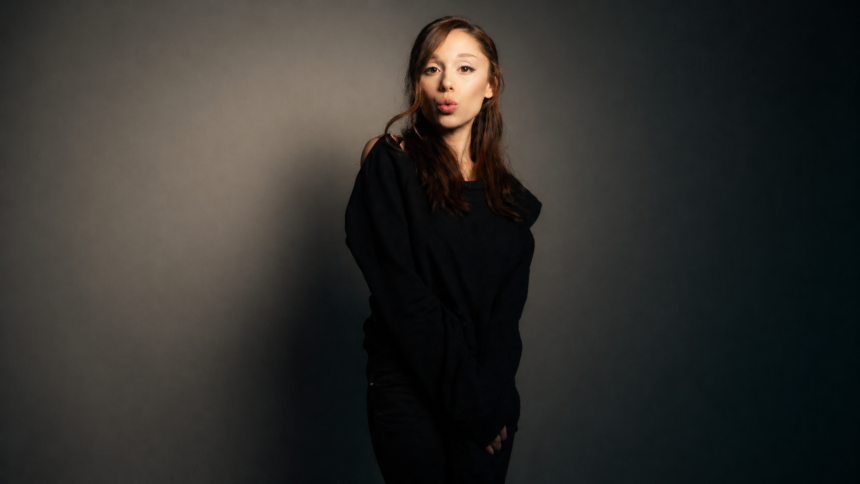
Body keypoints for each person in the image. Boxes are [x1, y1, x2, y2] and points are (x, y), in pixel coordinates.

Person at [344, 16, 541, 484]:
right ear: (418, 82)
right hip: (411, 390)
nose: (447, 83)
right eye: (432, 69)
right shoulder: (389, 162)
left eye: (465, 68)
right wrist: (473, 404)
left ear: (491, 85)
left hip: (487, 401)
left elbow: (503, 321)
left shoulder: (509, 200)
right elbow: (403, 297)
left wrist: (494, 405)